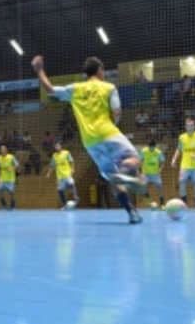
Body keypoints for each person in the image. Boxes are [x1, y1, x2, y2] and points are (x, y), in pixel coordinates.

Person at [32, 55, 145, 224]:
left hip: (90, 142)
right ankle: (122, 174)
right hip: (108, 132)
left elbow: (49, 90)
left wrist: (39, 69)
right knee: (135, 158)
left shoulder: (75, 89)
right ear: (99, 70)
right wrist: (112, 126)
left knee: (112, 178)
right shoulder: (109, 87)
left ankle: (132, 213)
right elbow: (117, 112)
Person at [171, 118, 195, 211]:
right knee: (182, 183)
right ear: (185, 127)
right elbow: (178, 149)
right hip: (184, 166)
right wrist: (174, 159)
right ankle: (184, 204)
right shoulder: (182, 137)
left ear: (194, 126)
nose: (190, 127)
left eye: (191, 125)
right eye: (188, 126)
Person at [45, 141, 79, 210]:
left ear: (61, 146)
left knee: (71, 184)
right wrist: (48, 173)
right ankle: (64, 205)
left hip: (67, 174)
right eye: (55, 146)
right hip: (60, 177)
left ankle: (75, 198)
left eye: (58, 146)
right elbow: (52, 165)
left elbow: (71, 161)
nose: (56, 147)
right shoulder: (54, 156)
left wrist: (73, 169)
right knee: (60, 190)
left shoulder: (66, 153)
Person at [140, 138, 166, 209]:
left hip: (155, 174)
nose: (151, 149)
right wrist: (141, 168)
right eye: (150, 147)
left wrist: (160, 168)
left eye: (153, 147)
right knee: (143, 187)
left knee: (160, 187)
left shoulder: (158, 152)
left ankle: (162, 204)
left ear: (155, 146)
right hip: (145, 173)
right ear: (148, 146)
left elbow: (163, 161)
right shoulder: (143, 151)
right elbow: (140, 160)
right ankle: (149, 203)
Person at [0, 144, 19, 210]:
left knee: (11, 192)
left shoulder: (11, 157)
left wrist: (13, 168)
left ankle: (13, 204)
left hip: (10, 179)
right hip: (2, 178)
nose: (2, 150)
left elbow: (17, 164)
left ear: (6, 150)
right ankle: (3, 204)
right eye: (1, 149)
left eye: (3, 149)